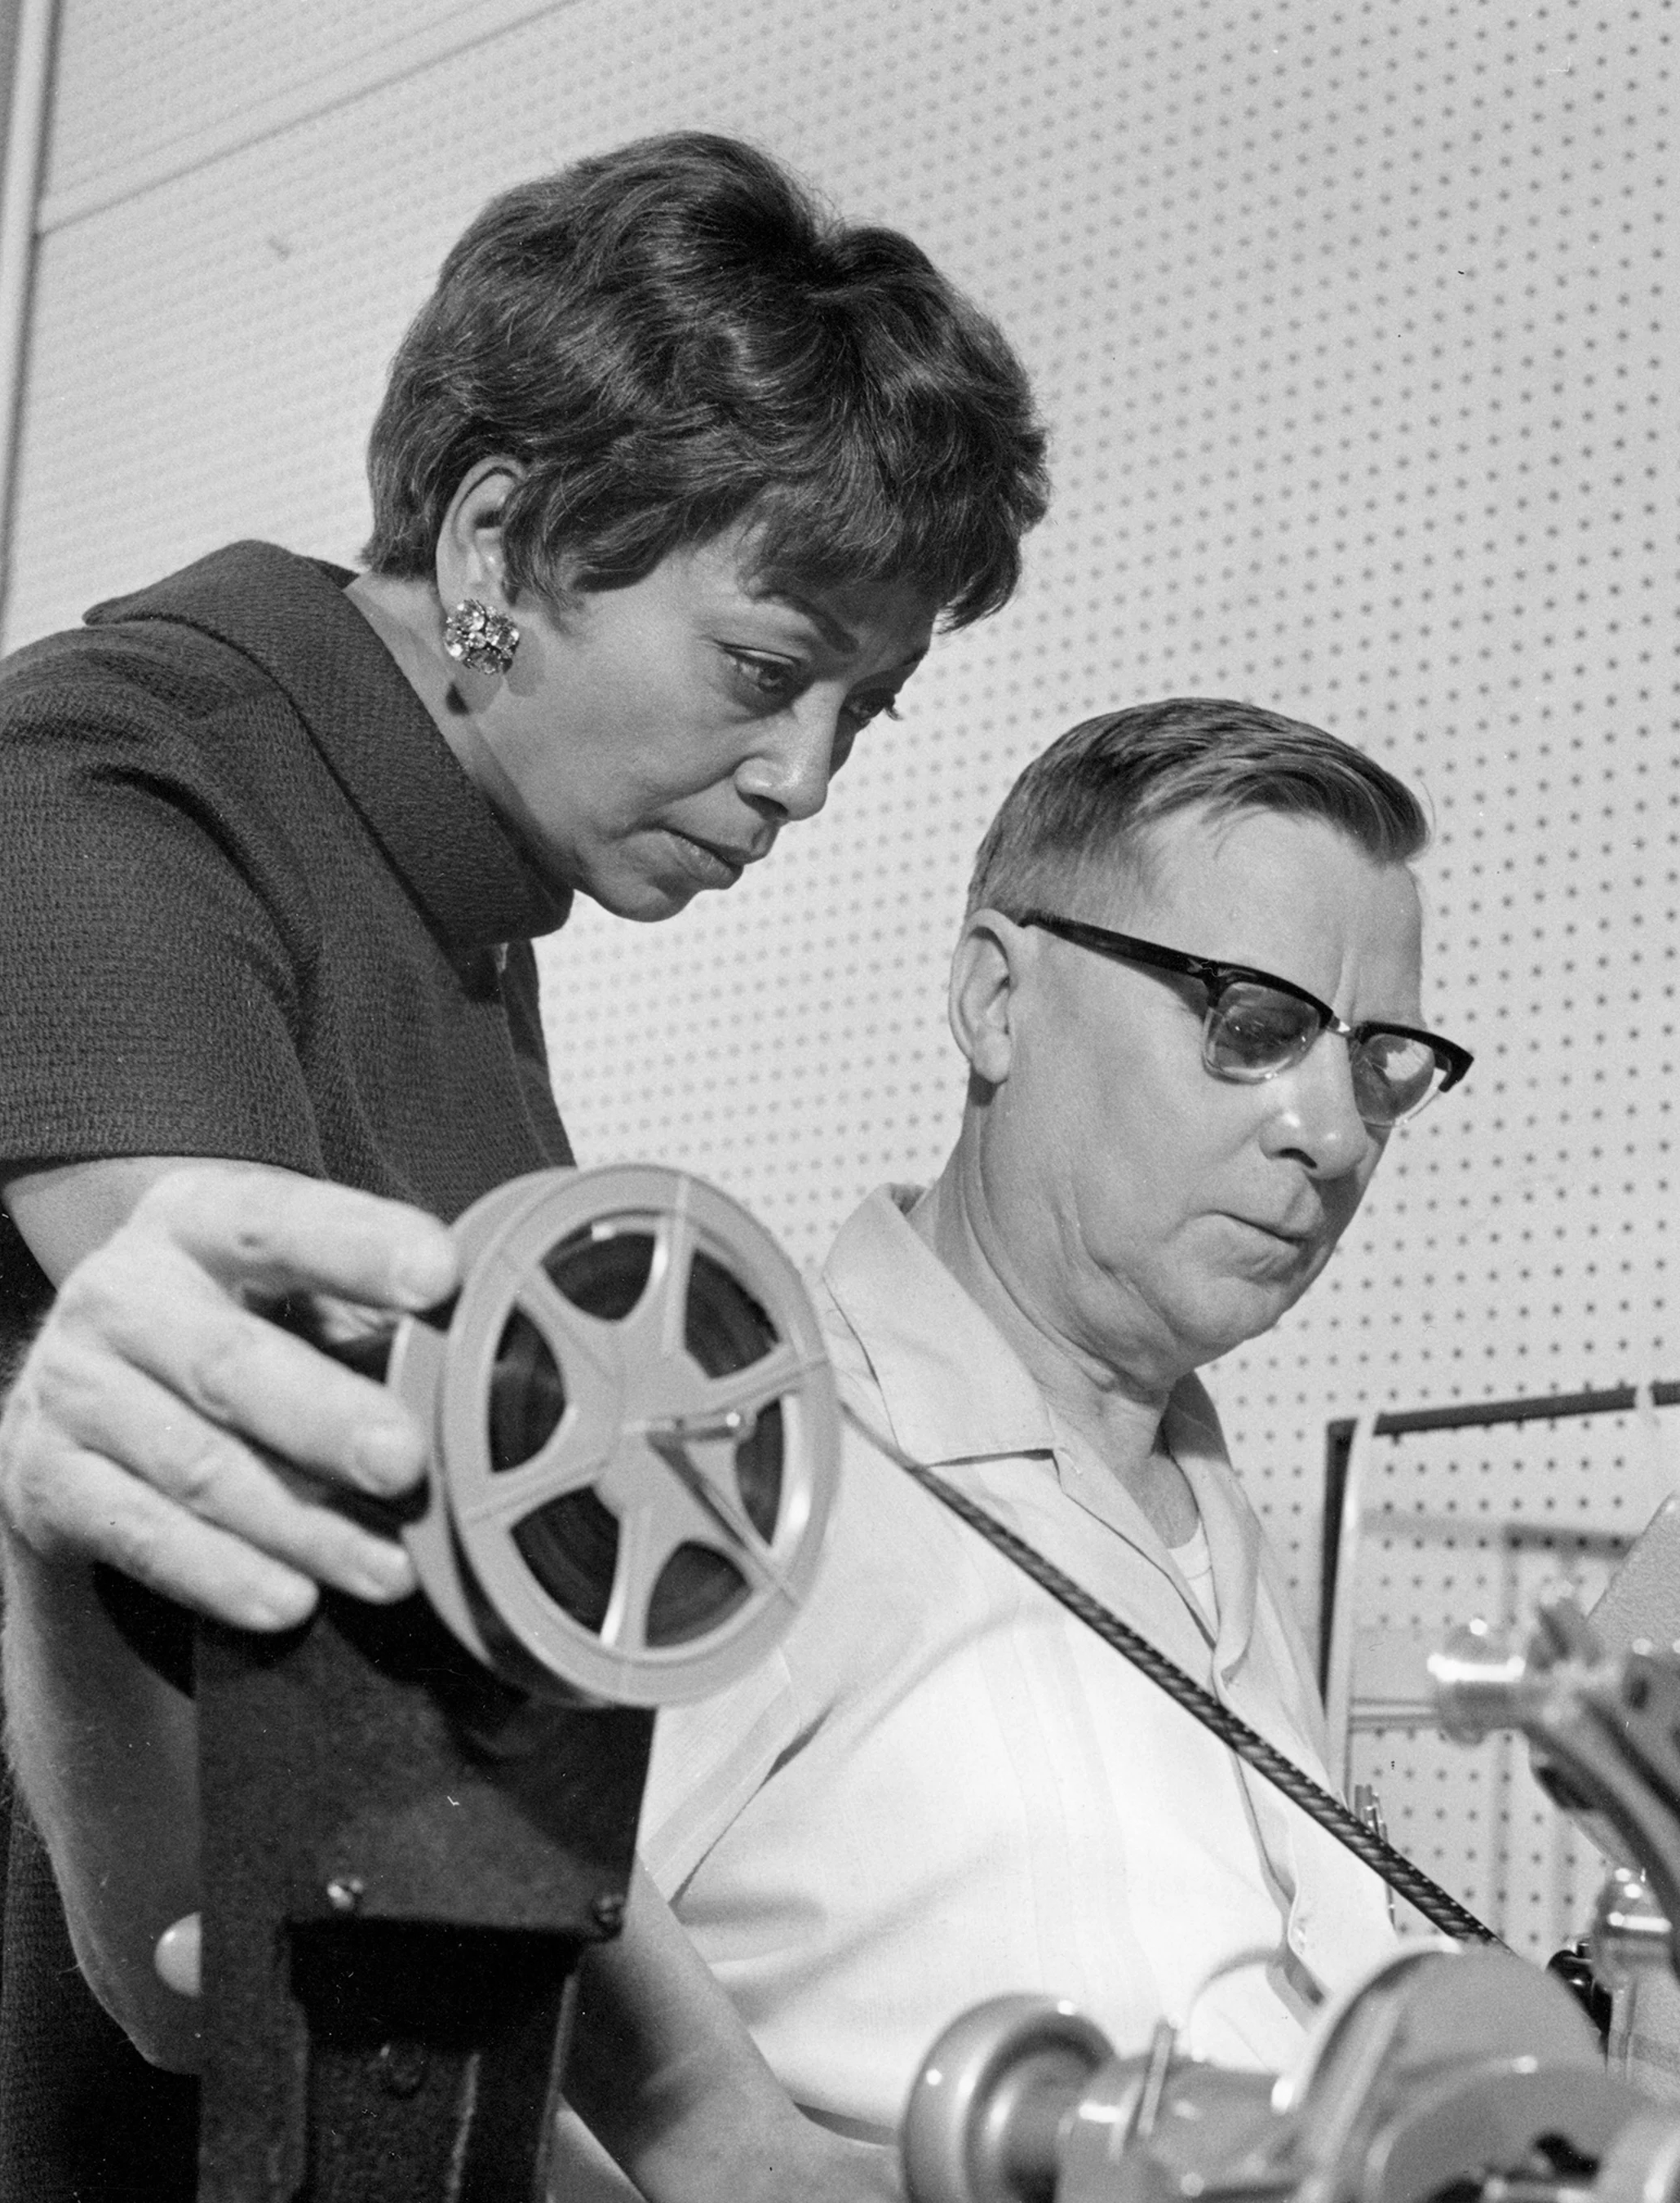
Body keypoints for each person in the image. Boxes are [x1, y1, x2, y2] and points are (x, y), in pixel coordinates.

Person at [0, 130, 1047, 2200]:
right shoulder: (106, 776)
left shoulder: (461, 908)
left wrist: (722, 2126)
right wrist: (693, 2130)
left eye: (862, 712)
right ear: (499, 545)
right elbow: (288, 1553)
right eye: (768, 670)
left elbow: (459, 1675)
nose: (804, 778)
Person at [551, 695, 1474, 2187]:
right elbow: (475, 2035)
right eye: (1254, 1025)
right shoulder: (740, 1453)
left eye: (1382, 1063)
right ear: (996, 1001)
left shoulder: (1206, 1516)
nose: (1332, 1132)